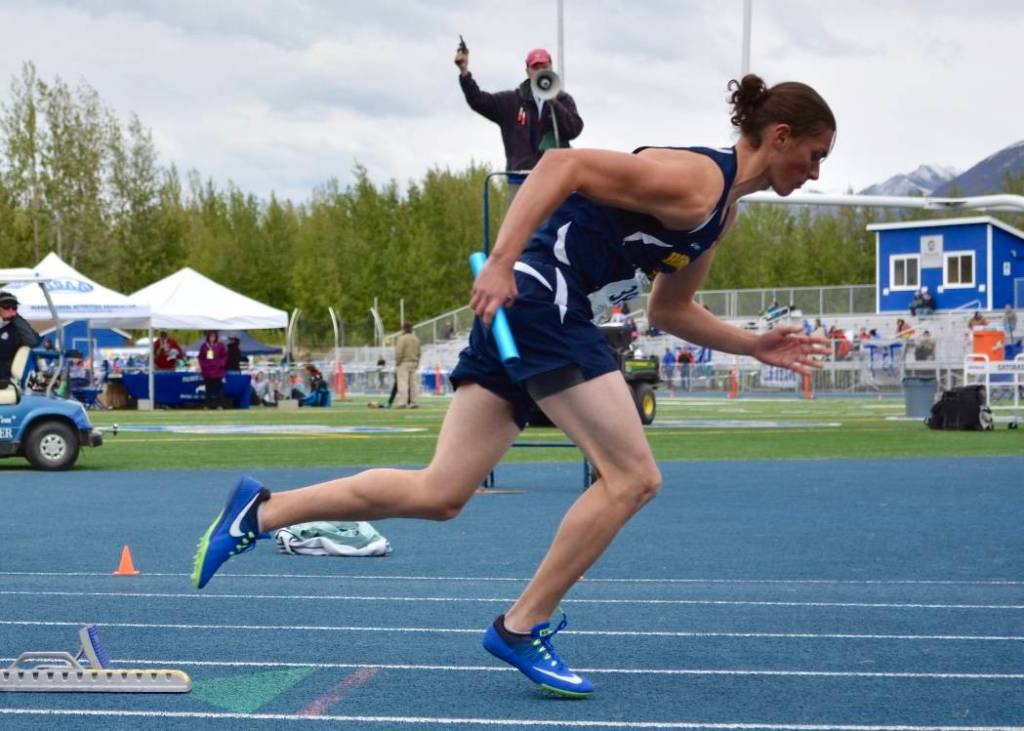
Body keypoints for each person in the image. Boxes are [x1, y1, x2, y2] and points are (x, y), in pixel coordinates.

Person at [191, 73, 834, 698]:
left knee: (441, 492)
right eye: (814, 155)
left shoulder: (718, 218)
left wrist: (753, 344)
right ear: (779, 136)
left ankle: (263, 511)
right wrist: (500, 263)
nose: (815, 172)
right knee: (633, 477)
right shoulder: (699, 181)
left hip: (535, 309)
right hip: (541, 299)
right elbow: (560, 168)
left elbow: (670, 312)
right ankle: (521, 626)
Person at [456, 45, 584, 198]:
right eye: (535, 67)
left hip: (555, 178)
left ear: (551, 68)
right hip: (520, 180)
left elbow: (574, 129)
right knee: (525, 222)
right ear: (528, 71)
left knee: (556, 221)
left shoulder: (564, 100)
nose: (540, 71)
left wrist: (555, 104)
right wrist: (464, 71)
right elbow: (478, 100)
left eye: (544, 66)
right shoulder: (511, 101)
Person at [0, 291, 41, 390]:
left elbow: (33, 341)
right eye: (6, 307)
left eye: (14, 307)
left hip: (5, 380)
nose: (11, 310)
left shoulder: (17, 328)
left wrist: (16, 318)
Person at [394, 323, 421, 408]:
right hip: (414, 362)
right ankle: (415, 402)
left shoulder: (402, 338)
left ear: (404, 329)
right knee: (414, 384)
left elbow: (399, 351)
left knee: (403, 383)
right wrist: (417, 362)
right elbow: (419, 352)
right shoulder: (416, 339)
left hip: (404, 363)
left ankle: (402, 402)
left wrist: (397, 362)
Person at [198, 330, 228, 409]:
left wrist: (220, 364)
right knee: (208, 389)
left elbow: (224, 356)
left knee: (219, 389)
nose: (212, 338)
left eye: (213, 336)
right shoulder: (204, 346)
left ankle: (220, 405)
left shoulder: (220, 345)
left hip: (218, 371)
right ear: (208, 337)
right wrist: (203, 365)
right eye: (211, 336)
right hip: (207, 371)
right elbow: (201, 357)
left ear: (216, 337)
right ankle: (207, 405)